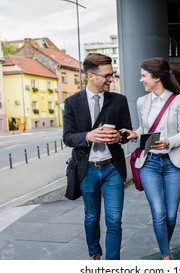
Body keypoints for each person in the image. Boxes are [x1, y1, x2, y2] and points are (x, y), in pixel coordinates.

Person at [63, 53, 133, 260]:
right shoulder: (72, 102)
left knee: (114, 220)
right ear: (90, 76)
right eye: (107, 75)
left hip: (112, 168)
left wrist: (119, 137)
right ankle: (94, 253)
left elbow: (127, 132)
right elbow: (68, 137)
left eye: (112, 74)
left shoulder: (119, 100)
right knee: (92, 216)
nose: (111, 79)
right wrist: (88, 136)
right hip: (87, 170)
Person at [121, 57, 180, 260]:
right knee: (158, 212)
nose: (141, 80)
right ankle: (165, 257)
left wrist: (168, 142)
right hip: (149, 162)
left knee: (170, 215)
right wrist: (135, 134)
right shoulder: (142, 102)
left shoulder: (179, 100)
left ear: (157, 76)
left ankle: (164, 245)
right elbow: (145, 129)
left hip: (173, 163)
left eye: (144, 76)